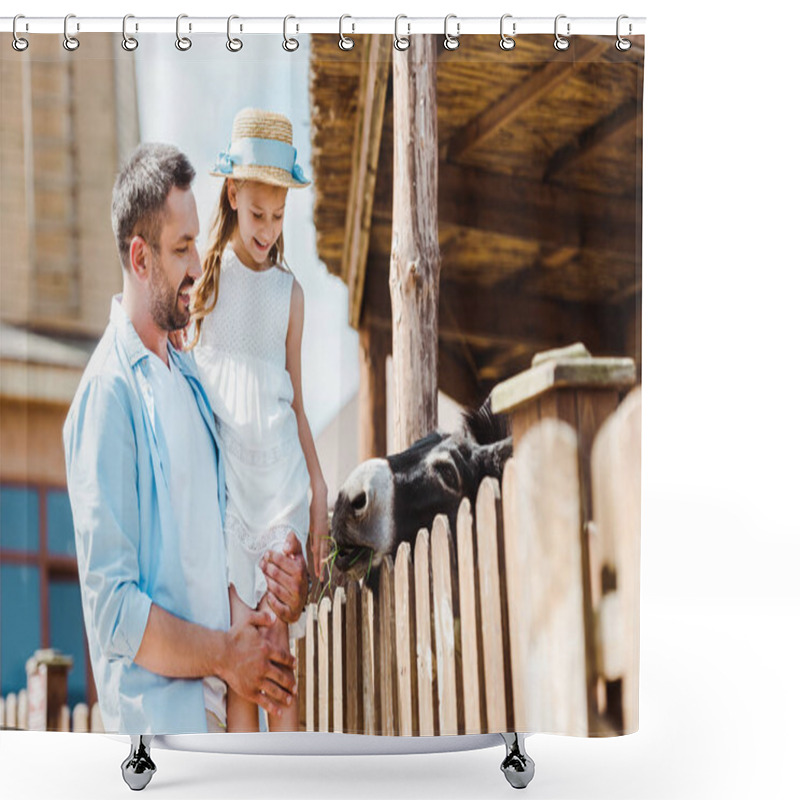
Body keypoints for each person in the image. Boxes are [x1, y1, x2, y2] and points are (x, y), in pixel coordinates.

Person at [62, 143, 308, 734]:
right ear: (140, 258)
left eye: (197, 242)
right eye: (181, 249)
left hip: (225, 725)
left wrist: (272, 598)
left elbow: (209, 560)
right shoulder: (107, 396)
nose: (199, 264)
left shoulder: (193, 385)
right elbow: (116, 611)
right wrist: (227, 654)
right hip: (164, 746)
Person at [186, 109, 329, 733]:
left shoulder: (290, 295)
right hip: (227, 494)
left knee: (275, 646)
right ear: (233, 194)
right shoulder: (205, 282)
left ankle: (292, 772)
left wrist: (319, 491)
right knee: (242, 649)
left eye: (278, 216)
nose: (268, 230)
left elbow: (295, 400)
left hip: (279, 492)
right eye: (257, 215)